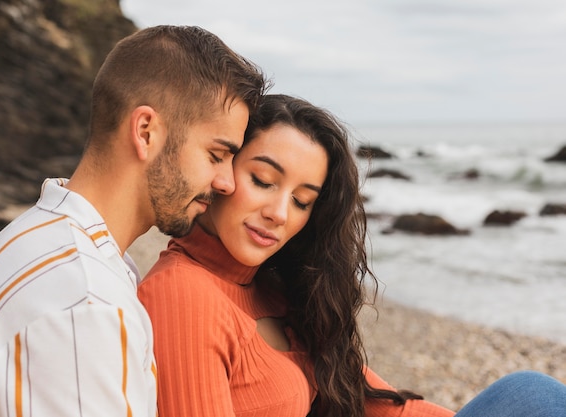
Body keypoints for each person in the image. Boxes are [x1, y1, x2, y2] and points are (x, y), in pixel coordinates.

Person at [137, 94, 566, 417]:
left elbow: (372, 402)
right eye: (264, 180)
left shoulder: (273, 288)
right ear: (223, 169)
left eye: (303, 201)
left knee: (533, 396)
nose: (279, 214)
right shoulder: (182, 295)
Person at [0, 25, 268, 417]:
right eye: (217, 155)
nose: (227, 182)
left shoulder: (42, 237)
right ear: (146, 132)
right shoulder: (85, 301)